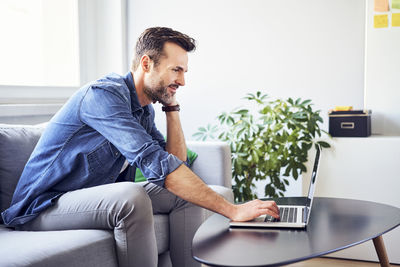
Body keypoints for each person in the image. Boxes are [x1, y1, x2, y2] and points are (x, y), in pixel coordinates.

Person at [1, 27, 280, 267]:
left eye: (184, 71)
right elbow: (155, 163)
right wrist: (232, 210)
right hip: (41, 207)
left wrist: (172, 107)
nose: (183, 80)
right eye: (176, 70)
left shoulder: (143, 109)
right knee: (132, 196)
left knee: (186, 194)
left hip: (86, 198)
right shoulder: (104, 96)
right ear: (146, 63)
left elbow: (174, 163)